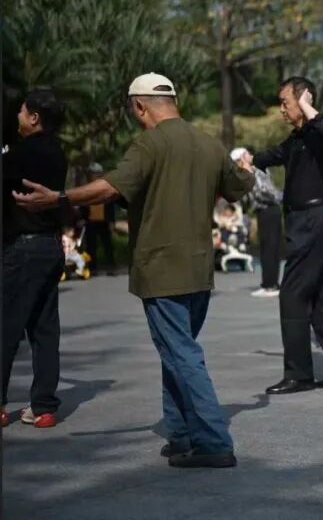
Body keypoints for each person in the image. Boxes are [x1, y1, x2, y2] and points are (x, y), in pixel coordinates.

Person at [15, 73, 254, 467]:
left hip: (161, 269)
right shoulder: (209, 144)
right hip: (198, 268)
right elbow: (240, 185)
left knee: (182, 354)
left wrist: (58, 197)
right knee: (176, 352)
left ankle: (213, 442)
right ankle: (181, 434)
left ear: (140, 106)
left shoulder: (149, 143)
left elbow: (110, 188)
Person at [253, 77, 323, 394]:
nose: (281, 109)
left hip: (313, 220)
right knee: (319, 300)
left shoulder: (319, 133)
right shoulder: (297, 138)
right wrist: (248, 160)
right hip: (303, 221)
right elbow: (271, 155)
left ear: (303, 101)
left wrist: (305, 104)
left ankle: (299, 374)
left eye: (285, 102)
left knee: (292, 294)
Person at [2, 89, 68, 429]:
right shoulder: (58, 153)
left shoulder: (20, 154)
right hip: (51, 246)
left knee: (6, 326)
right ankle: (43, 407)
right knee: (44, 330)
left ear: (34, 117)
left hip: (22, 248)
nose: (17, 117)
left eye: (21, 111)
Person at [231, 147, 284, 297]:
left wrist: (279, 197)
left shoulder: (256, 171)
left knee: (270, 249)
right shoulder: (250, 172)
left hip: (269, 210)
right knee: (266, 248)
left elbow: (266, 191)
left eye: (238, 161)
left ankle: (271, 286)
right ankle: (267, 283)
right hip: (263, 211)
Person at [81, 163, 116, 274]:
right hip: (90, 221)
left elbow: (110, 206)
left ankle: (111, 267)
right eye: (93, 173)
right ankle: (93, 268)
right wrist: (82, 218)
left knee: (108, 245)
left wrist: (111, 223)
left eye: (98, 173)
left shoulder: (104, 186)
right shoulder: (86, 187)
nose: (96, 175)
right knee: (91, 246)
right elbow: (82, 204)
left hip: (104, 221)